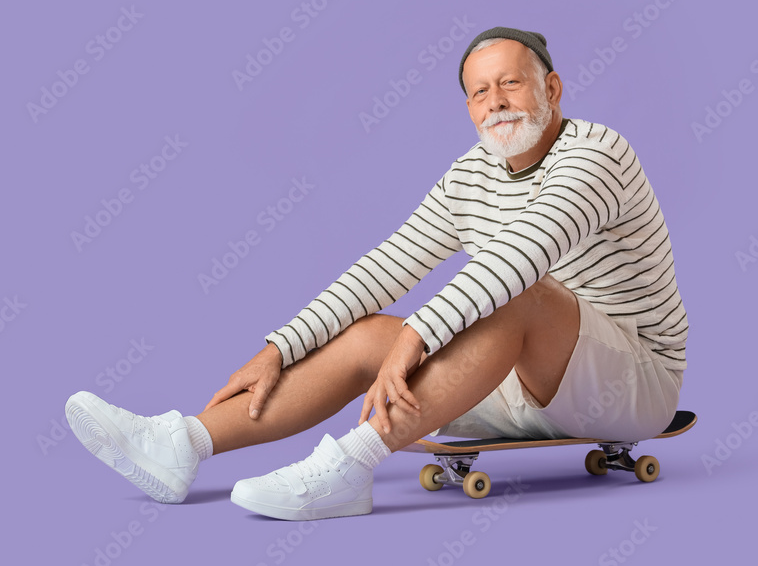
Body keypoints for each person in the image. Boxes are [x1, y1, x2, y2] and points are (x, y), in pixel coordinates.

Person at [65, 26, 688, 521]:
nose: (495, 102)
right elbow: (386, 267)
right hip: (521, 382)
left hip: (632, 384)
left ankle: (349, 469)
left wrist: (417, 340)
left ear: (551, 86)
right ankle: (184, 446)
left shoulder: (598, 152)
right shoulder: (469, 174)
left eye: (512, 84)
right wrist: (280, 346)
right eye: (479, 92)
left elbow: (518, 258)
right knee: (366, 335)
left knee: (518, 292)